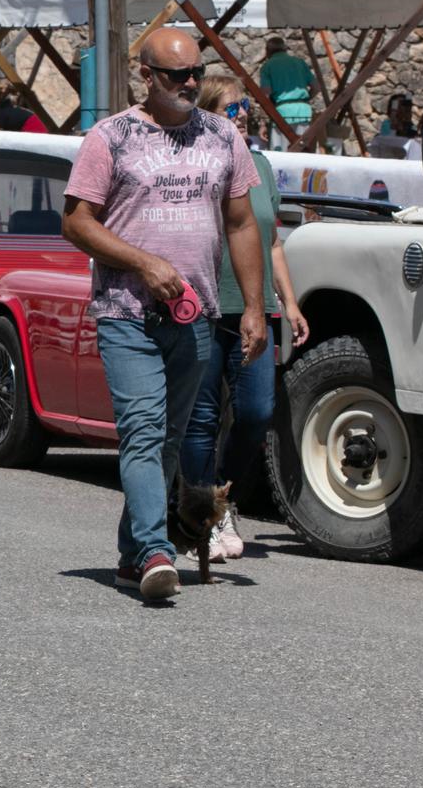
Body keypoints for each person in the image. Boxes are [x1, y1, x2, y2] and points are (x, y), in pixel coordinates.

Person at [61, 30, 268, 602]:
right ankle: (155, 550)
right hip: (126, 313)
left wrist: (253, 307)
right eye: (176, 76)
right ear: (146, 76)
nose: (190, 84)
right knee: (144, 431)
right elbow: (77, 222)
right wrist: (143, 263)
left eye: (196, 73)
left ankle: (133, 554)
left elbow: (242, 224)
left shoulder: (223, 136)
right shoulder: (111, 138)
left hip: (194, 316)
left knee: (168, 441)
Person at [181, 74, 310, 562]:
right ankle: (202, 518)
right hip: (206, 306)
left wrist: (289, 302)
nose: (245, 115)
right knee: (203, 418)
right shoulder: (196, 165)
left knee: (256, 414)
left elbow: (271, 239)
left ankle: (221, 499)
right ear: (212, 114)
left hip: (257, 309)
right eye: (234, 108)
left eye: (246, 107)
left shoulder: (259, 165)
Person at [257, 35, 320, 141]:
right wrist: (304, 100)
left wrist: (263, 123)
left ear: (267, 51)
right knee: (304, 151)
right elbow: (316, 87)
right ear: (285, 49)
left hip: (281, 115)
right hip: (304, 113)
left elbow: (265, 96)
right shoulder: (300, 63)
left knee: (282, 153)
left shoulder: (267, 66)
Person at [370, 93, 421, 159]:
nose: (401, 111)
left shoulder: (412, 127)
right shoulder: (386, 125)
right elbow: (386, 140)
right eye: (397, 107)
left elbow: (415, 137)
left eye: (404, 108)